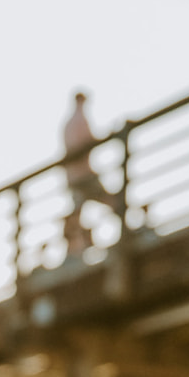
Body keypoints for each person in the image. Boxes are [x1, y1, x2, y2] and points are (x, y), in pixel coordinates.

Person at [62, 89, 125, 254]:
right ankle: (127, 232)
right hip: (84, 175)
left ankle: (73, 250)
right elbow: (85, 143)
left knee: (77, 212)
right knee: (111, 201)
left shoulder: (68, 123)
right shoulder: (79, 120)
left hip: (73, 177)